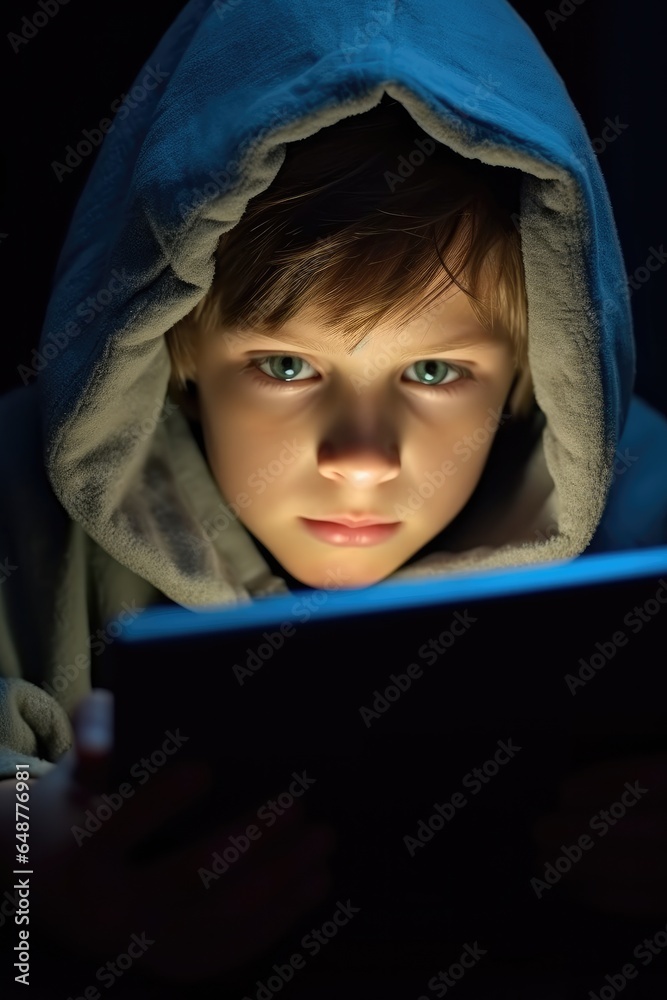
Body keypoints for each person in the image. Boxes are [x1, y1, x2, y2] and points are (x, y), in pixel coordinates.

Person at [1, 0, 666, 992]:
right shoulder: (17, 506)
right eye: (284, 364)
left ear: (536, 370)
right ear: (176, 345)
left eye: (435, 373)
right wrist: (29, 870)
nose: (360, 457)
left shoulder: (645, 508)